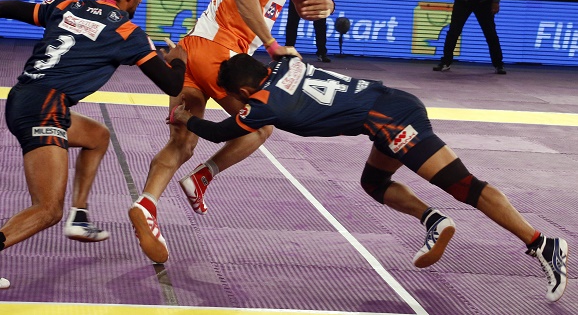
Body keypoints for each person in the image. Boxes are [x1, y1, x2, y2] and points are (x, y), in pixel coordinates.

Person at [170, 53, 569, 303]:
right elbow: (278, 50)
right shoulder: (287, 61)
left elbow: (220, 132)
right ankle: (433, 220)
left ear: (244, 90)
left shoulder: (262, 104)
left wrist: (186, 118)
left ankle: (542, 243)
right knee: (374, 183)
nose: (238, 102)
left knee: (464, 186)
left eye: (236, 96)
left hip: (390, 121)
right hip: (389, 107)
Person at [0, 0, 188, 289]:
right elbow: (172, 85)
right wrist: (180, 58)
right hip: (45, 109)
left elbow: (15, 8)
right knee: (47, 209)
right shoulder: (128, 32)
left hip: (24, 98)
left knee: (98, 136)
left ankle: (80, 216)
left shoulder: (68, 6)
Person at [128, 0, 335, 264]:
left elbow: (308, 2)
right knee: (262, 125)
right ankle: (204, 176)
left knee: (181, 143)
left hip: (189, 53)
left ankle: (145, 204)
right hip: (220, 58)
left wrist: (328, 5)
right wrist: (271, 45)